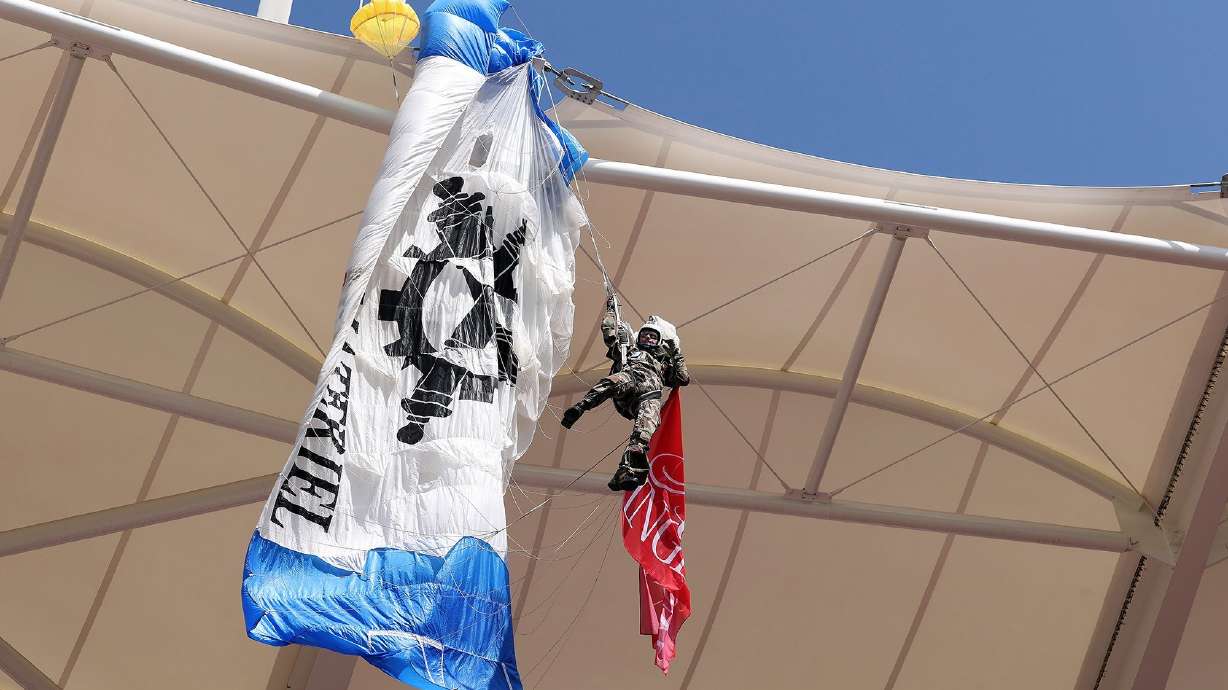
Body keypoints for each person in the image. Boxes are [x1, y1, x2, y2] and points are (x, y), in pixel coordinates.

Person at [561, 295, 690, 491]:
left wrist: (676, 353)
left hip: (648, 396)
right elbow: (609, 331)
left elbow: (683, 379)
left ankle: (630, 463)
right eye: (645, 335)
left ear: (659, 343)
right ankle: (581, 407)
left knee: (650, 417)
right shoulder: (627, 351)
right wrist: (612, 310)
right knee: (614, 382)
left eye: (653, 337)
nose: (648, 338)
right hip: (629, 381)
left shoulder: (662, 366)